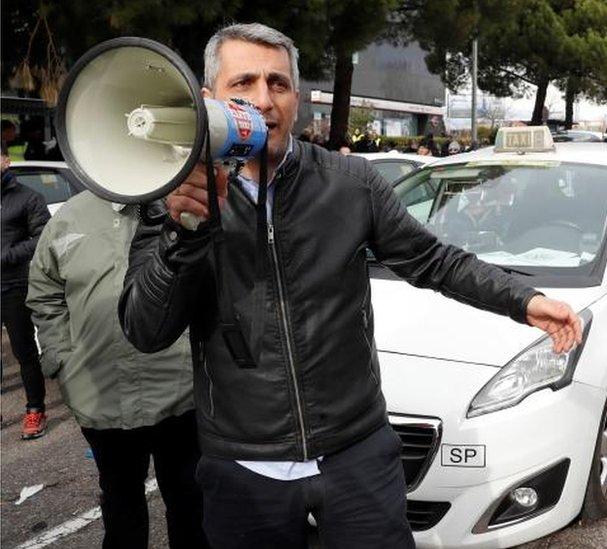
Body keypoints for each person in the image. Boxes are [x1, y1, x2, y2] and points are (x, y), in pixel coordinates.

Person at [118, 23, 582, 548]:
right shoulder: (172, 197)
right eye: (242, 84)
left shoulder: (351, 182)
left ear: (297, 98)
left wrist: (524, 301)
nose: (263, 100)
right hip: (243, 470)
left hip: (356, 456)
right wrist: (185, 232)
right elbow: (145, 328)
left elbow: (434, 261)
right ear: (208, 100)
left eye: (278, 84)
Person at [27, 193, 208, 548]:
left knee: (190, 502)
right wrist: (61, 359)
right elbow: (44, 293)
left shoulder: (179, 204)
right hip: (101, 396)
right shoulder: (67, 217)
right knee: (121, 505)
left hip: (181, 392)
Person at [1, 154, 51, 439]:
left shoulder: (28, 197)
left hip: (14, 286)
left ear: (6, 160)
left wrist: (7, 256)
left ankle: (35, 410)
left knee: (24, 353)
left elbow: (42, 236)